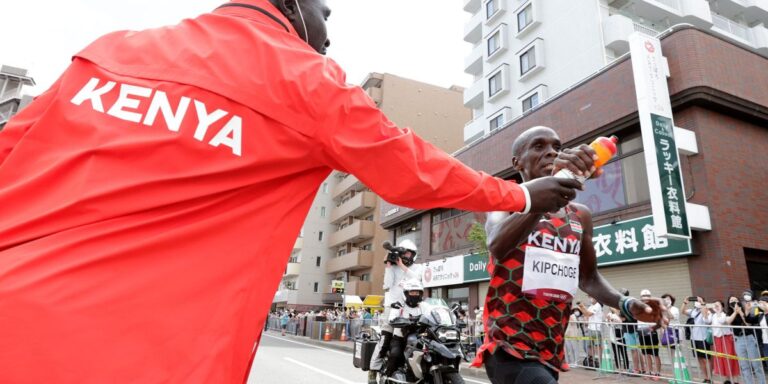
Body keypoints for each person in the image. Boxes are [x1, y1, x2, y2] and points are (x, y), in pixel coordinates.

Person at [0, 1, 588, 382]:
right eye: (326, 13)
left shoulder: (111, 50)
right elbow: (412, 166)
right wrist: (520, 195)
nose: (329, 32)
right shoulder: (304, 79)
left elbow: (10, 153)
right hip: (135, 353)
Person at [470, 127, 669, 384]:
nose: (551, 151)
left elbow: (588, 278)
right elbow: (496, 243)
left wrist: (626, 304)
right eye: (538, 146)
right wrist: (540, 202)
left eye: (556, 146)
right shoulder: (506, 200)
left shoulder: (580, 215)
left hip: (550, 349)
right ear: (516, 161)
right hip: (508, 345)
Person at [369, 239, 424, 378]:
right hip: (392, 308)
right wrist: (388, 265)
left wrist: (402, 266)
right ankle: (373, 370)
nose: (406, 256)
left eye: (408, 253)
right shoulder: (392, 268)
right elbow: (387, 284)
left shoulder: (417, 268)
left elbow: (418, 280)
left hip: (411, 307)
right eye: (403, 253)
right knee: (385, 340)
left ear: (413, 255)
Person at [383, 279, 426, 378]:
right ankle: (387, 376)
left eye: (417, 292)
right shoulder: (399, 305)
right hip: (400, 338)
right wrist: (399, 320)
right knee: (396, 355)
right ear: (406, 293)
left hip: (420, 338)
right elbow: (392, 319)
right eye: (412, 292)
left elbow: (433, 314)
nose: (415, 294)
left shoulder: (424, 306)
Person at [726, 294, 766, 384]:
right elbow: (728, 322)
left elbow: (748, 324)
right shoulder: (728, 313)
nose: (733, 302)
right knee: (744, 366)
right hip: (738, 340)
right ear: (729, 304)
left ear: (738, 302)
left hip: (749, 338)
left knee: (756, 365)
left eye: (735, 300)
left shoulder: (745, 310)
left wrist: (740, 312)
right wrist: (735, 312)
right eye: (731, 301)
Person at [682, 295, 713, 383]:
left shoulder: (707, 311)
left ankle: (710, 378)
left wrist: (703, 304)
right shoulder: (693, 311)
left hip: (703, 338)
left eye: (699, 300)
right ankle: (706, 377)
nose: (697, 302)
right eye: (696, 301)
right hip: (694, 338)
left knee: (706, 359)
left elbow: (707, 321)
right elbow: (683, 311)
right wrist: (685, 303)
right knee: (699, 358)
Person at [710, 300, 740, 383]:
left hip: (726, 339)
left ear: (722, 307)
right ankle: (726, 380)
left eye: (718, 305)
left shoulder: (723, 315)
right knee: (721, 360)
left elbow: (722, 321)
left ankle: (735, 381)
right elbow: (705, 318)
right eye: (715, 305)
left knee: (730, 359)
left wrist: (719, 311)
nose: (716, 306)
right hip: (717, 340)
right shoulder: (713, 315)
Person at [637, 289, 662, 381]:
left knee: (655, 354)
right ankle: (649, 371)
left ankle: (658, 373)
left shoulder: (655, 306)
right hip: (641, 331)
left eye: (647, 295)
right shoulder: (639, 306)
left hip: (652, 331)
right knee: (645, 353)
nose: (645, 298)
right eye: (643, 296)